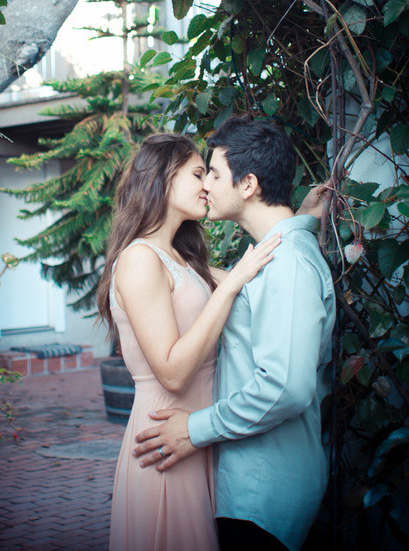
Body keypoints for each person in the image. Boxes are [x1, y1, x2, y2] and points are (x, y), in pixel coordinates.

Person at [133, 118, 336, 551]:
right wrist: (301, 220)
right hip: (245, 483)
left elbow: (285, 387)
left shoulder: (290, 266)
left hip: (263, 492)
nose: (205, 185)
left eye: (213, 173)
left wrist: (195, 428)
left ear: (247, 185)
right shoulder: (276, 257)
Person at [97, 133, 283, 551]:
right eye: (199, 173)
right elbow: (173, 373)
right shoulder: (140, 258)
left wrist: (297, 222)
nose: (208, 185)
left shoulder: (180, 257)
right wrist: (229, 285)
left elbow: (257, 283)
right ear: (164, 178)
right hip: (165, 436)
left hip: (195, 434)